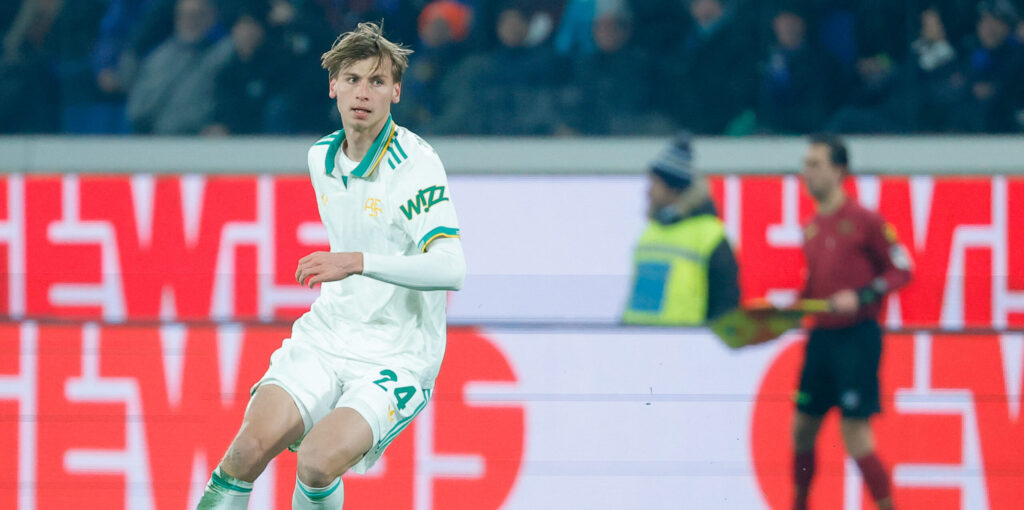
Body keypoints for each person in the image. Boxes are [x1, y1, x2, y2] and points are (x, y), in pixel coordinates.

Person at [196, 21, 466, 509]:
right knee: (244, 453)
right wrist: (353, 269)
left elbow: (451, 269)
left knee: (318, 461)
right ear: (333, 86)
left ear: (396, 92)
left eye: (378, 82)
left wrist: (358, 262)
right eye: (353, 79)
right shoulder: (321, 156)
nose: (363, 92)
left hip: (396, 355)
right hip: (328, 335)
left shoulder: (414, 165)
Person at [792, 134, 912, 510]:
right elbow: (814, 287)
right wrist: (784, 313)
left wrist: (860, 296)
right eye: (806, 164)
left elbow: (901, 270)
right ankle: (799, 503)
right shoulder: (812, 228)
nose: (806, 173)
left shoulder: (865, 221)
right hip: (822, 338)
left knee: (855, 433)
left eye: (815, 165)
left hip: (856, 339)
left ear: (838, 171)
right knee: (801, 429)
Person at [622, 131, 739, 326]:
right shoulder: (651, 231)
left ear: (674, 189)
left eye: (655, 183)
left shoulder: (709, 235)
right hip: (638, 344)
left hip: (684, 347)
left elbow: (725, 305)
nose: (648, 191)